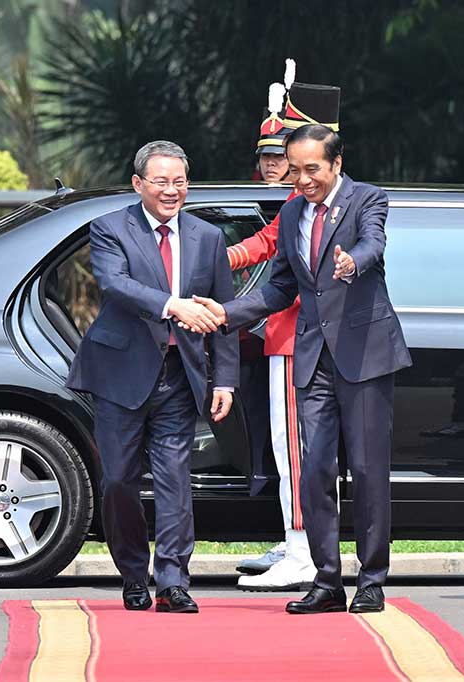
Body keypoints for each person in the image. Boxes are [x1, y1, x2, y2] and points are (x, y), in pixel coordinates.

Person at [193, 114, 413, 614]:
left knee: (367, 469)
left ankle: (372, 578)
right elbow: (280, 287)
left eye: (313, 169)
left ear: (337, 163)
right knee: (313, 471)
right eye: (295, 170)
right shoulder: (293, 214)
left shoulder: (367, 199)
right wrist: (227, 313)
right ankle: (327, 580)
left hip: (363, 356)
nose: (304, 180)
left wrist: (353, 260)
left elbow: (373, 243)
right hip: (311, 358)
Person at [66, 140, 239, 614]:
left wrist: (224, 379)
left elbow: (220, 311)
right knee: (119, 480)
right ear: (138, 184)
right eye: (160, 182)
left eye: (179, 181)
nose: (171, 190)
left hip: (179, 375)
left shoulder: (208, 237)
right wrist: (171, 305)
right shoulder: (109, 229)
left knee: (175, 480)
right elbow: (115, 284)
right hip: (121, 374)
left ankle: (173, 581)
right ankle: (132, 573)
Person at [230, 65, 320, 591]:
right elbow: (258, 245)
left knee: (295, 453)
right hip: (295, 339)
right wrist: (219, 259)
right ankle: (298, 542)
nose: (284, 166)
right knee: (293, 455)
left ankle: (303, 550)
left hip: (293, 339)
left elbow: (263, 248)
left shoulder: (309, 203)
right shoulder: (300, 203)